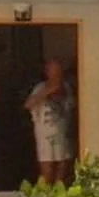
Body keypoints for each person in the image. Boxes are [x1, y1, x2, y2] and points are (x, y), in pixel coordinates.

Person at [23, 57, 75, 187]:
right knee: (47, 171)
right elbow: (28, 105)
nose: (57, 74)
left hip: (62, 134)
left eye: (59, 71)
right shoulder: (40, 87)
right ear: (47, 72)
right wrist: (47, 91)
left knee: (62, 171)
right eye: (53, 71)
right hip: (45, 135)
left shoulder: (67, 88)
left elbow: (72, 106)